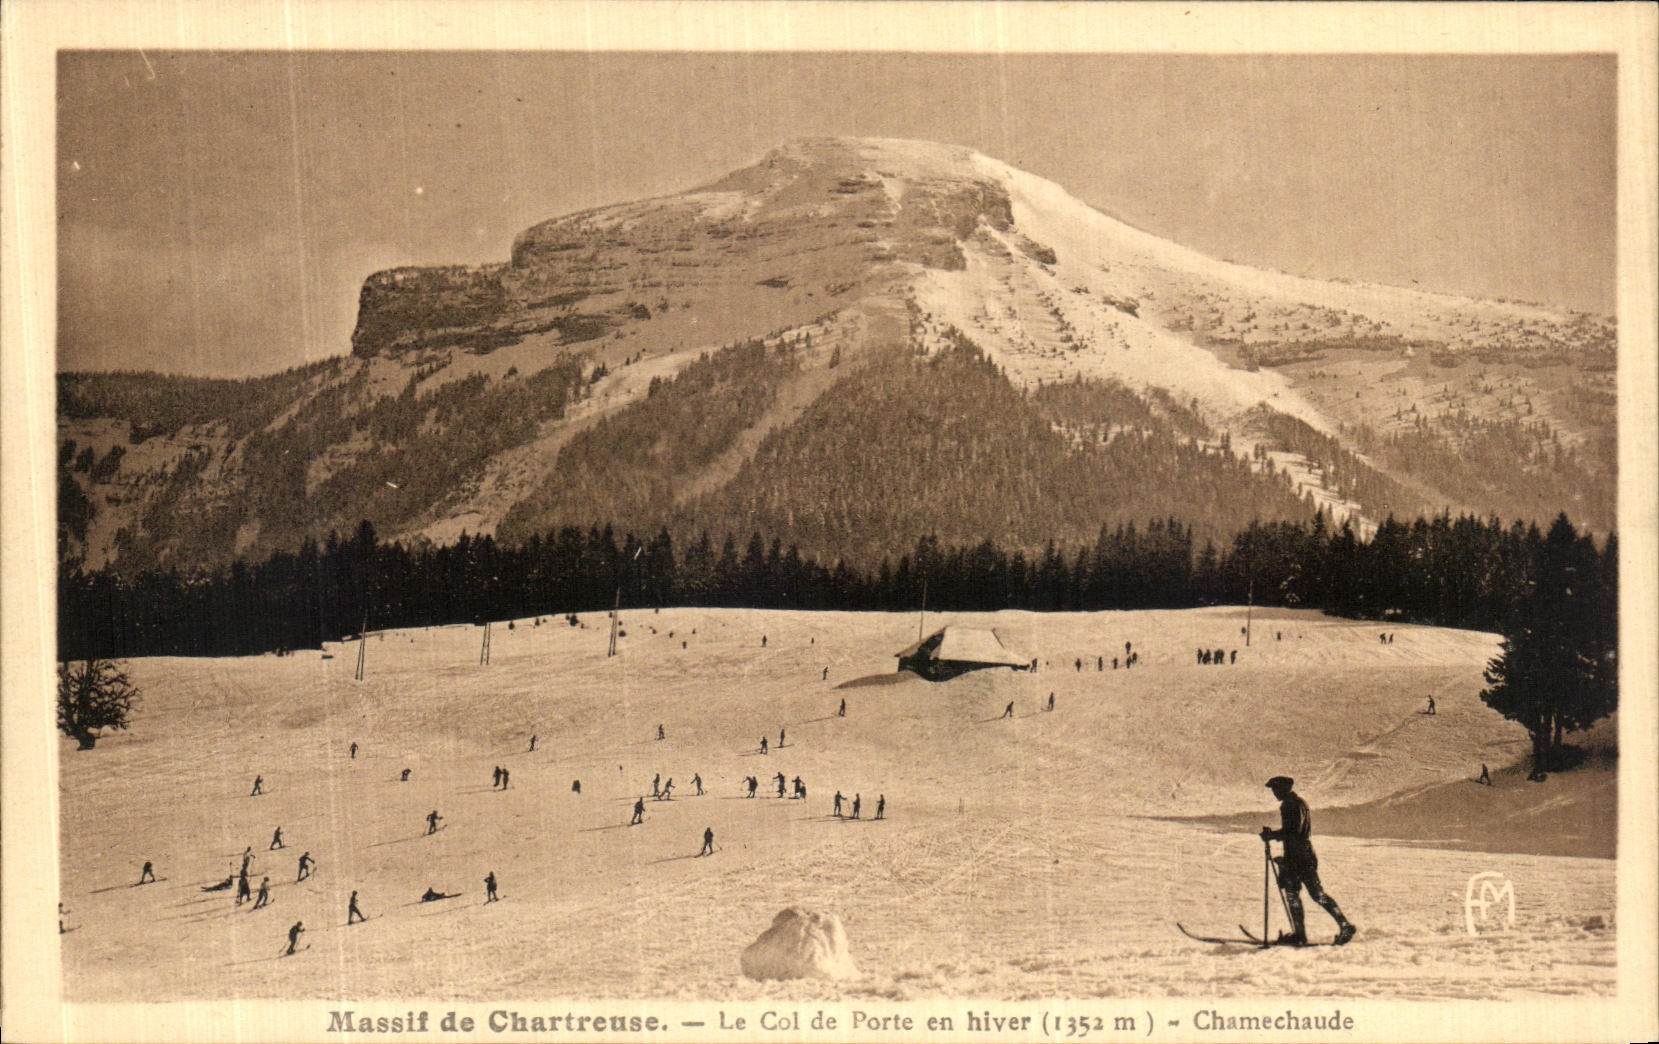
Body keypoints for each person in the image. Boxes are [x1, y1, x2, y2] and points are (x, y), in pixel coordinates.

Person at [1260, 776, 1356, 946]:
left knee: (1312, 894)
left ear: (1284, 788)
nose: (1274, 793)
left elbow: (1292, 831)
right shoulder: (1299, 802)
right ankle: (1301, 934)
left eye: (1276, 789)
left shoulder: (1290, 805)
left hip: (1299, 857)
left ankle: (1342, 926)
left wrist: (1272, 835)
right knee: (1295, 894)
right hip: (1299, 855)